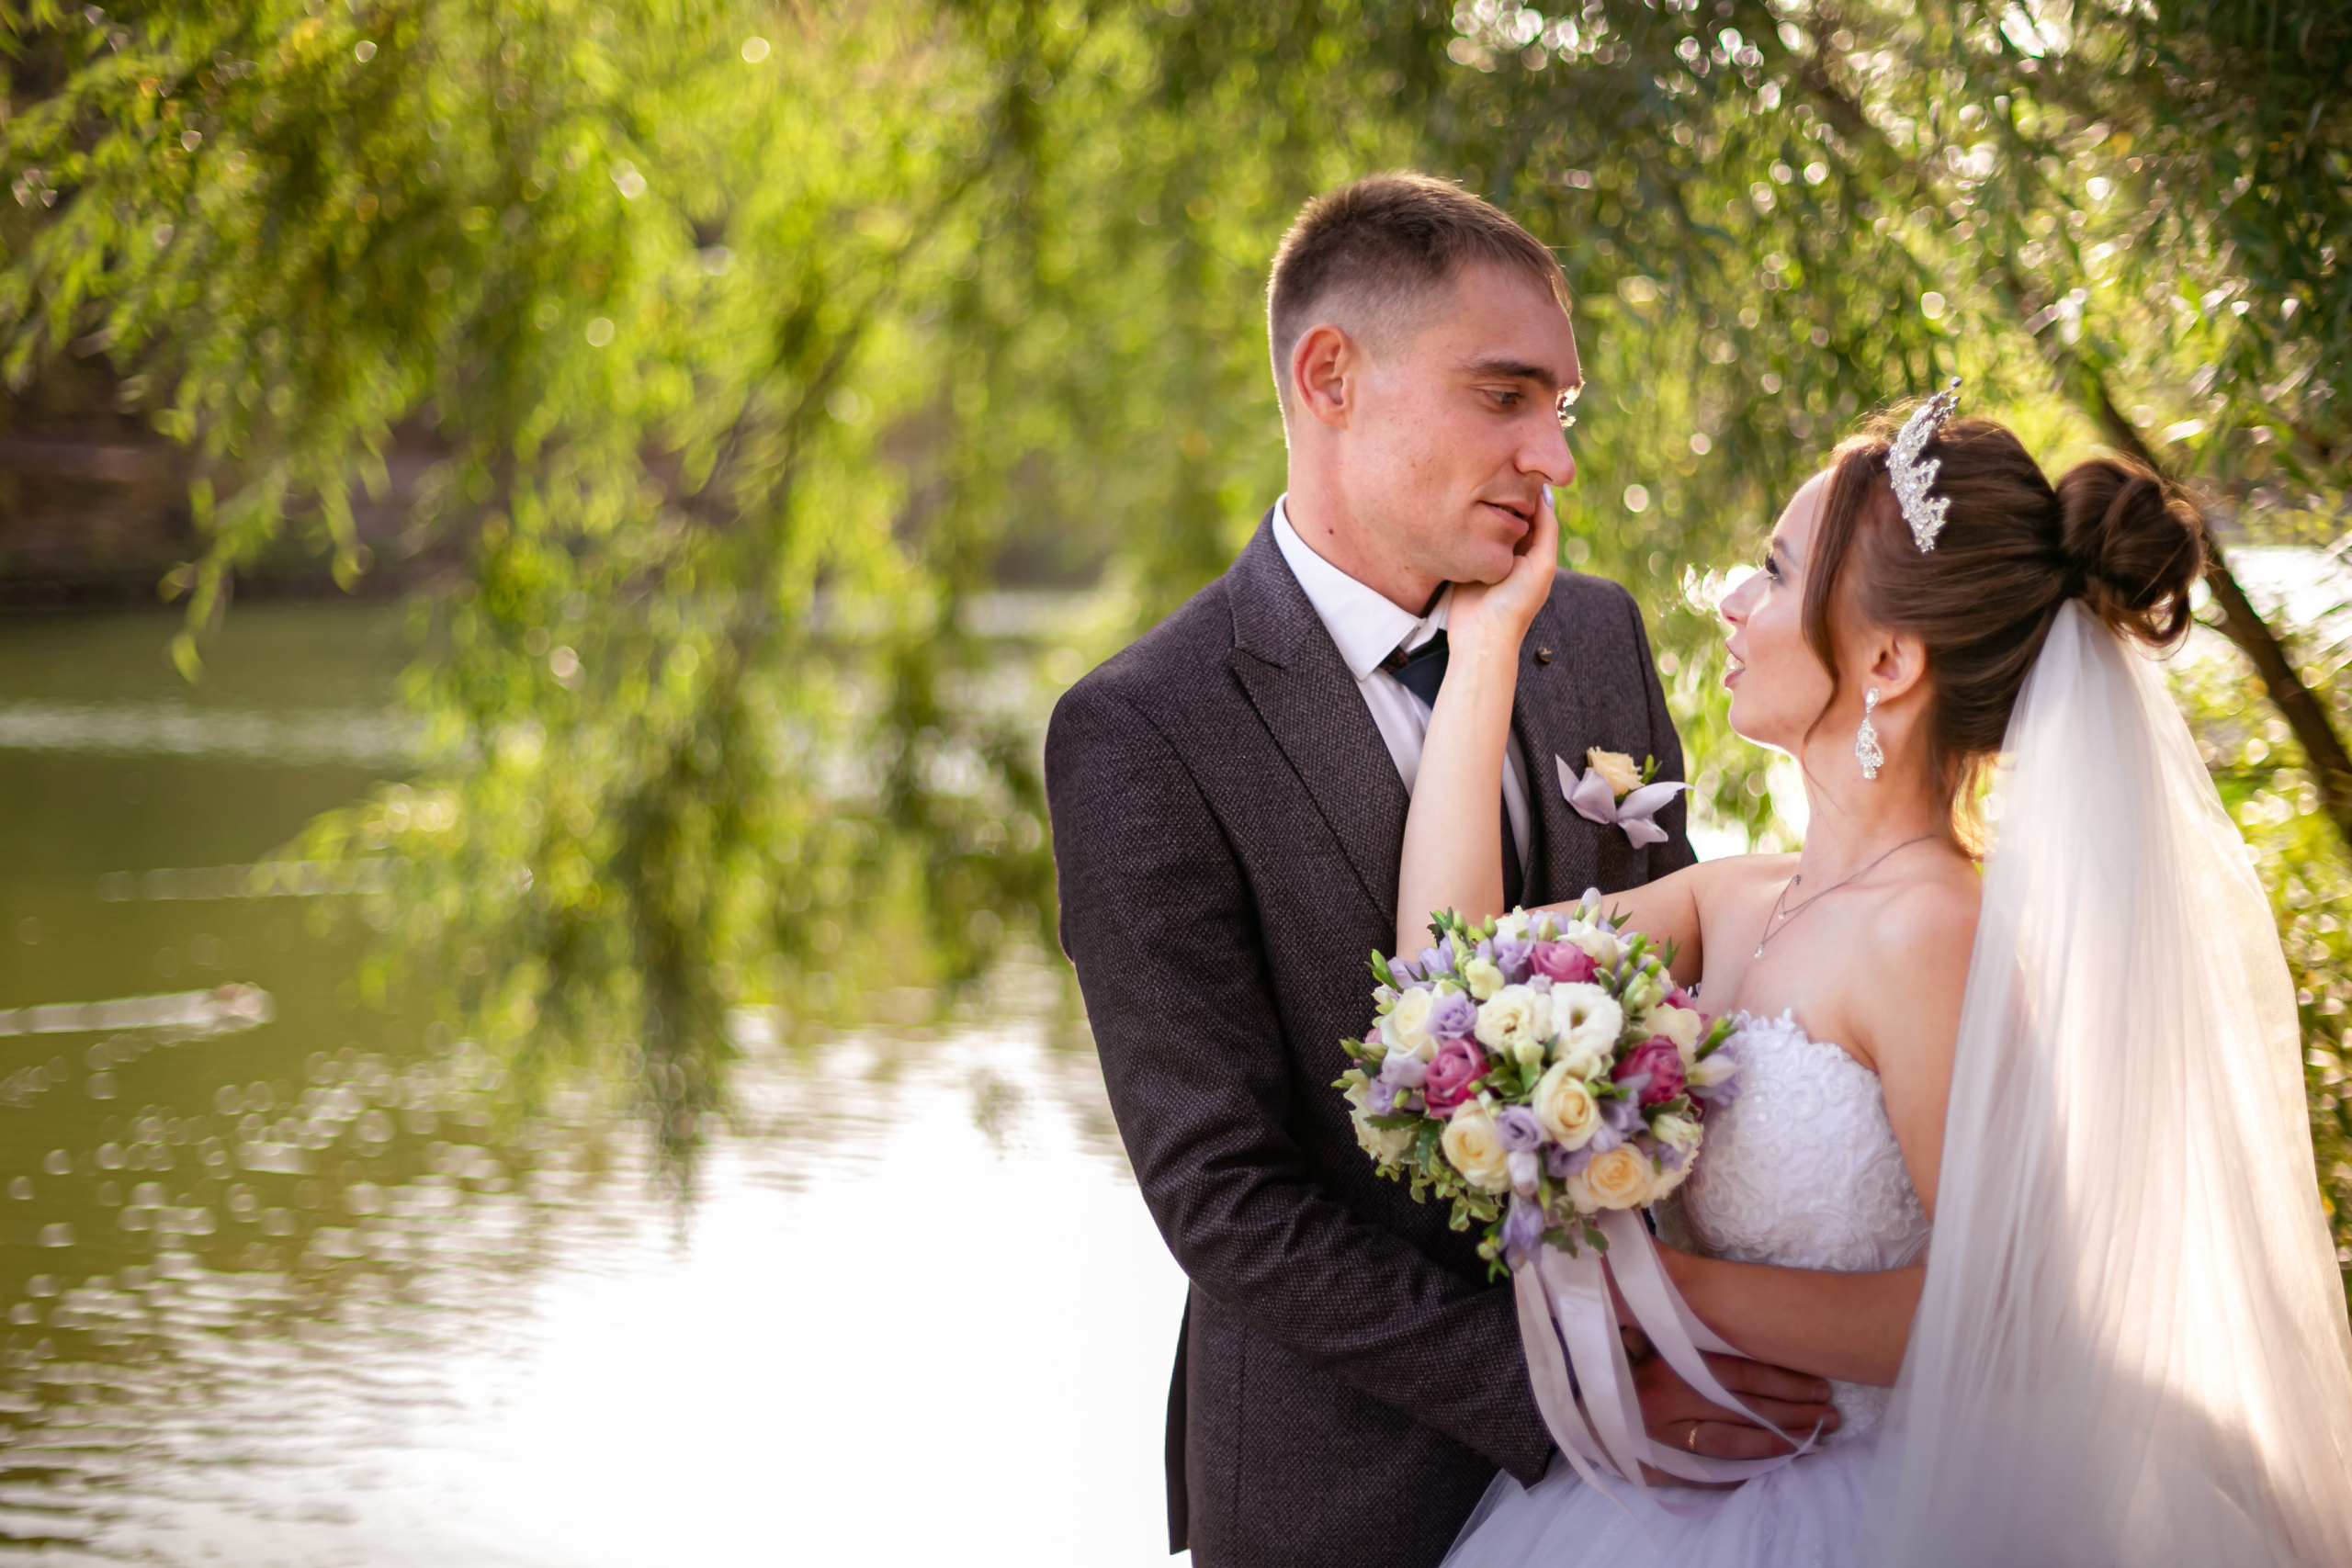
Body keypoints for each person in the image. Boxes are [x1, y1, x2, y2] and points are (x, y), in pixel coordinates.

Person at [1044, 173, 1837, 1568]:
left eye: (1563, 409)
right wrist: (1573, 1384)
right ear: (1331, 376)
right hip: (1347, 1490)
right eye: (1505, 396)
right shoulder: (1142, 730)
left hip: (1675, 1483)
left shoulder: (1589, 634)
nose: (1556, 458)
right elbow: (1225, 1195)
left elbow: (1683, 1022)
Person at [1415, 397, 2352, 1564]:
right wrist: (1488, 644)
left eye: (1772, 570)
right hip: (1706, 1498)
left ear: (1890, 660)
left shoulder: (1932, 934)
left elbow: (1995, 1320)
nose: (1731, 602)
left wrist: (1657, 1287)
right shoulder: (1738, 900)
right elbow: (1445, 967)